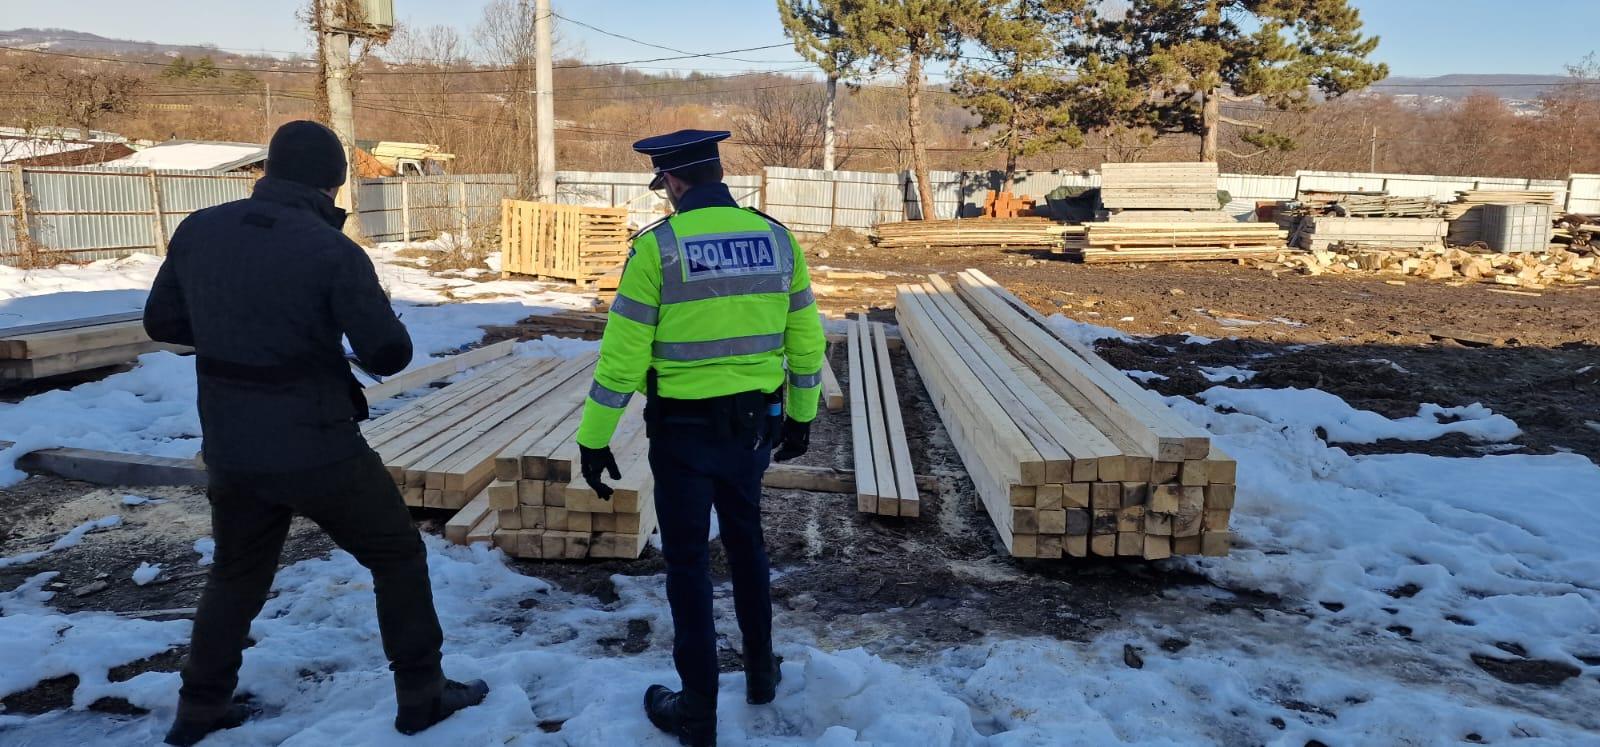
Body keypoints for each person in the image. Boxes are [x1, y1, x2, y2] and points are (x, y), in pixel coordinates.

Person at [144, 120, 488, 746]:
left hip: (232, 446)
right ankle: (422, 694)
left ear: (269, 172)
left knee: (235, 574)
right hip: (318, 446)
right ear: (333, 183)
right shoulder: (331, 250)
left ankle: (198, 709)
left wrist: (235, 337)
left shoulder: (199, 229)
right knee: (396, 556)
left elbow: (161, 321)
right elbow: (388, 354)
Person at [575, 129, 826, 747]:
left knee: (688, 563)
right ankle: (761, 674)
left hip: (682, 436)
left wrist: (594, 438)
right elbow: (806, 342)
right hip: (753, 430)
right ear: (718, 174)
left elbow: (623, 360)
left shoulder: (657, 249)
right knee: (747, 547)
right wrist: (801, 416)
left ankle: (697, 712)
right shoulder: (777, 239)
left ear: (673, 181)